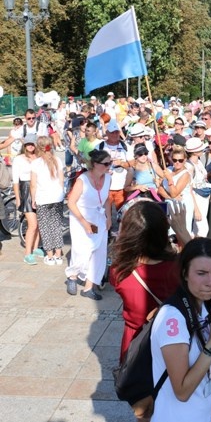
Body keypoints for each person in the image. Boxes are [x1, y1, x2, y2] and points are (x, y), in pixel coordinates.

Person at [150, 238, 211, 421]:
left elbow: (205, 374)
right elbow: (182, 391)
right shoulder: (173, 319)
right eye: (201, 273)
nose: (210, 282)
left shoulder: (203, 308)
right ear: (185, 273)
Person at [111, 201, 191, 363]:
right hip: (174, 342)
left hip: (135, 344)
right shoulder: (179, 269)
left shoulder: (119, 271)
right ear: (163, 233)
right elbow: (203, 265)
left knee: (137, 386)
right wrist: (182, 232)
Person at [65, 150, 112, 300]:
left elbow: (107, 199)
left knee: (99, 251)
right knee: (82, 250)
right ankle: (72, 276)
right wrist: (84, 223)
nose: (109, 166)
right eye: (106, 163)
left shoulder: (109, 178)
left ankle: (89, 287)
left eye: (110, 163)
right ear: (96, 164)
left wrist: (108, 217)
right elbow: (71, 203)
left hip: (99, 217)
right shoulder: (83, 180)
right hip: (81, 217)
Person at [30, 136, 65, 265]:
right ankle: (58, 255)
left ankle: (49, 256)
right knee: (56, 225)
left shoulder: (36, 163)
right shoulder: (57, 160)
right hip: (57, 197)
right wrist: (60, 193)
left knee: (45, 227)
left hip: (43, 198)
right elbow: (61, 180)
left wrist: (33, 199)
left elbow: (33, 185)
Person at [11, 134, 43, 265]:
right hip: (26, 190)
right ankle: (27, 253)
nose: (30, 146)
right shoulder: (18, 159)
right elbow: (15, 181)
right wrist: (18, 198)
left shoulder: (40, 158)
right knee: (32, 224)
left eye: (33, 143)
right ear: (24, 145)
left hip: (39, 190)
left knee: (40, 222)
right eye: (28, 144)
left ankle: (36, 248)